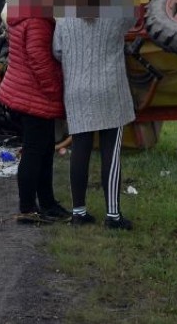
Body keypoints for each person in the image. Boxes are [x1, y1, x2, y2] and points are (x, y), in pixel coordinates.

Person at [52, 16, 136, 230]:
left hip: (77, 91)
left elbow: (57, 52)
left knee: (80, 149)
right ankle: (113, 216)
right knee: (111, 153)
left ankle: (78, 212)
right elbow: (133, 19)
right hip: (110, 90)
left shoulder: (64, 17)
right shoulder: (116, 11)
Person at [0, 4, 69, 223]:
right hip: (34, 94)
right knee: (35, 152)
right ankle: (28, 209)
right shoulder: (37, 20)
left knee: (44, 150)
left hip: (25, 91)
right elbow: (40, 61)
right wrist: (56, 90)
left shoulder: (24, 12)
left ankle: (47, 204)